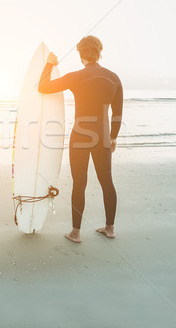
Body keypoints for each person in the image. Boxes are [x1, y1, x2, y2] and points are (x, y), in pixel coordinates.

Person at [38, 36, 123, 242]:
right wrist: (112, 137)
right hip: (102, 136)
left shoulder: (76, 76)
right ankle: (110, 228)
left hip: (81, 135)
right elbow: (117, 113)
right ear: (99, 52)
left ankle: (75, 233)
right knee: (107, 182)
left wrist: (49, 63)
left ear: (80, 54)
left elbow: (43, 87)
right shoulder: (113, 78)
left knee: (79, 183)